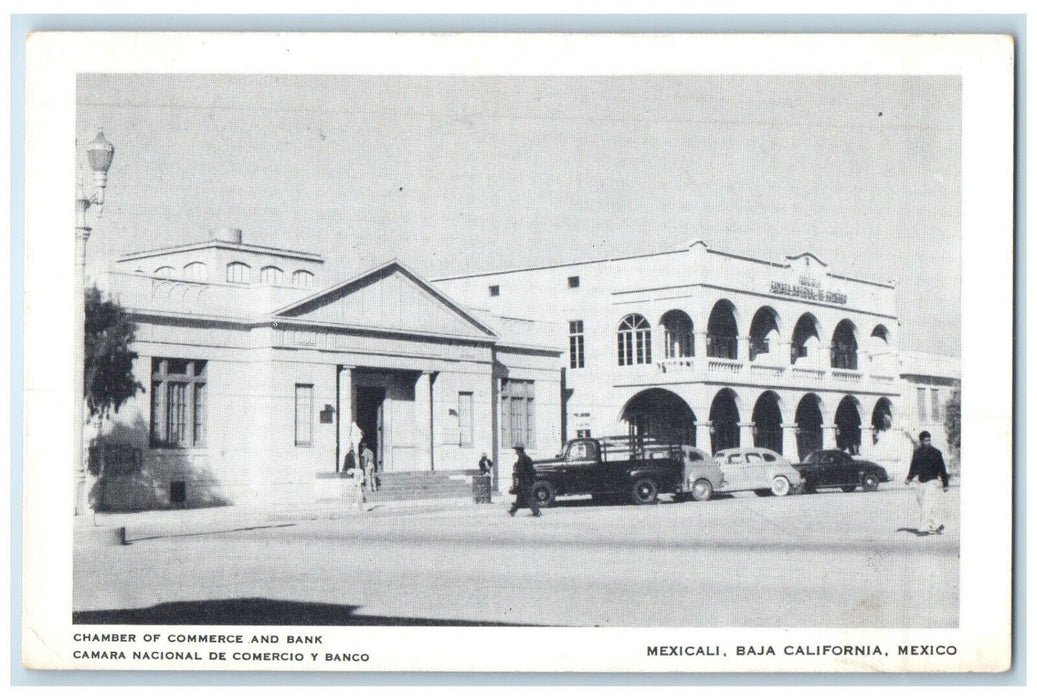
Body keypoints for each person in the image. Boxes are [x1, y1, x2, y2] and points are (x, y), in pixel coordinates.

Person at [904, 430, 949, 534]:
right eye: (926, 440)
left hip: (932, 482)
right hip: (921, 483)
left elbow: (942, 469)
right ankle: (935, 526)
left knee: (926, 505)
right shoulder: (917, 453)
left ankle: (924, 529)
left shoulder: (936, 453)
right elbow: (913, 467)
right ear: (921, 441)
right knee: (926, 505)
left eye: (929, 440)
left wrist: (945, 484)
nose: (928, 442)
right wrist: (909, 478)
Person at [507, 444, 541, 517]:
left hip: (525, 481)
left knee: (528, 497)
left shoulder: (522, 458)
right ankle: (512, 511)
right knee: (520, 497)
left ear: (519, 450)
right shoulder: (525, 458)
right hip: (525, 481)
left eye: (516, 450)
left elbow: (522, 471)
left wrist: (518, 475)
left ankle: (537, 512)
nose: (516, 452)